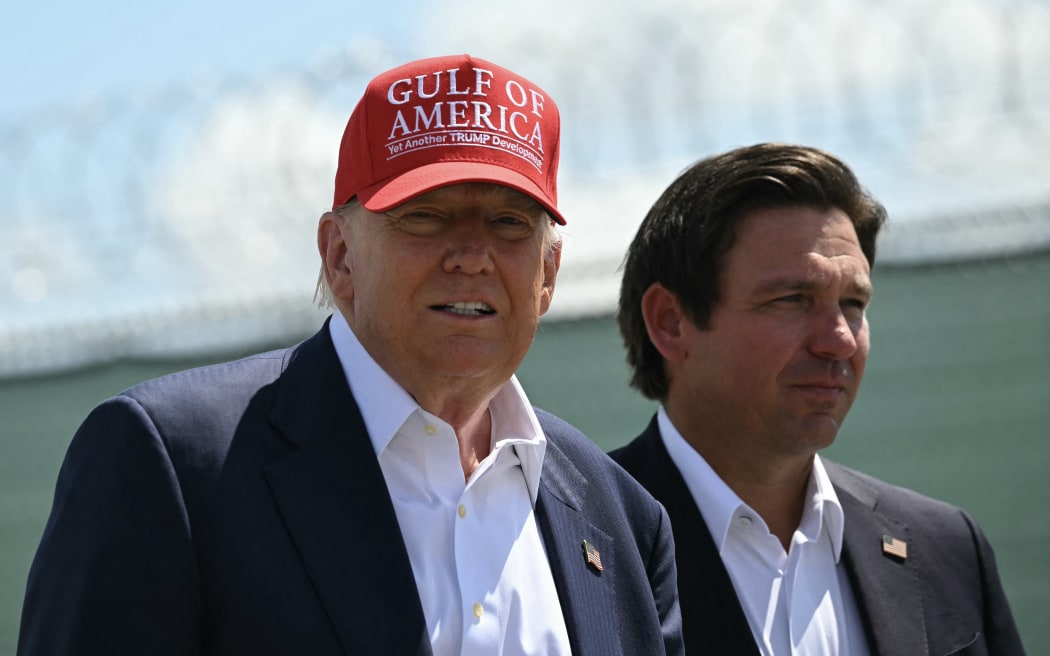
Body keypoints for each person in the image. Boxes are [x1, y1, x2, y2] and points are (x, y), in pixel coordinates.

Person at [19, 54, 683, 656]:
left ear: (547, 275)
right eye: (426, 216)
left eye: (509, 224)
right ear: (339, 255)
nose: (471, 256)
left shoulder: (621, 516)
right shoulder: (175, 465)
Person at [610, 143, 1026, 655]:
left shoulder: (944, 549)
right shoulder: (575, 544)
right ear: (671, 322)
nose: (840, 341)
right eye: (793, 300)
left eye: (853, 304)